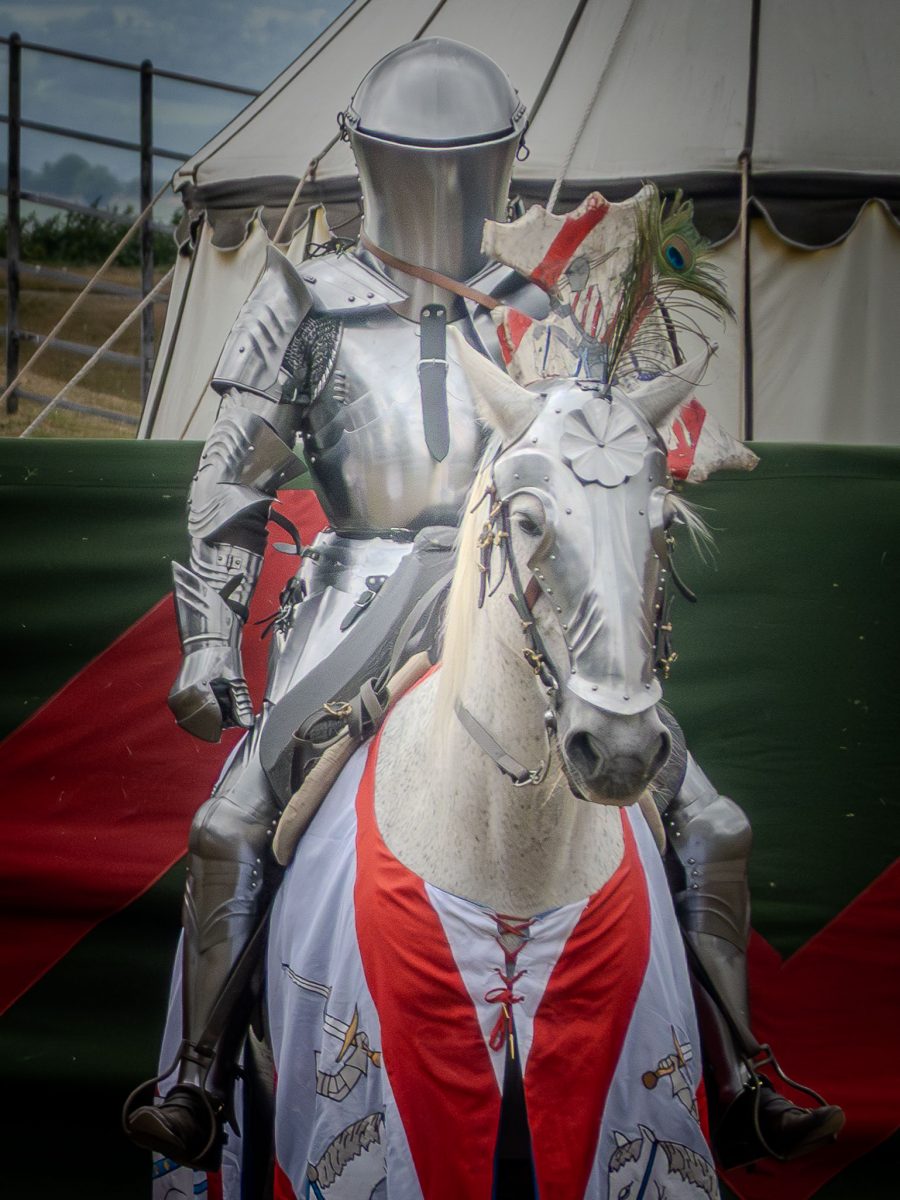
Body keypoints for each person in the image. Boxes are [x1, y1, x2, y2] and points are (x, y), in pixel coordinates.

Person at [124, 36, 842, 1175]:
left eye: (465, 166)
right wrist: (211, 643)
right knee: (232, 821)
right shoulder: (301, 296)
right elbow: (232, 482)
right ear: (374, 163)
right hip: (360, 588)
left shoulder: (539, 309)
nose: (445, 189)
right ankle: (203, 1080)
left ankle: (741, 1071)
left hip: (507, 588)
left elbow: (585, 463)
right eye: (428, 165)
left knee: (708, 818)